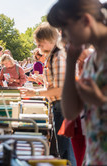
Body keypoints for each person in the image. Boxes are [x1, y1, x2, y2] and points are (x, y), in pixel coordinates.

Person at [48, 0, 107, 164]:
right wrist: (71, 61)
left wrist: (100, 102)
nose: (63, 37)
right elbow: (71, 112)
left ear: (86, 21)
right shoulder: (90, 61)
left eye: (65, 29)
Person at [21, 22, 76, 165]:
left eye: (40, 44)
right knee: (64, 151)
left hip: (63, 107)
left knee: (66, 153)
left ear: (50, 39)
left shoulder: (58, 56)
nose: (38, 48)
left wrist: (35, 92)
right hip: (60, 106)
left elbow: (62, 88)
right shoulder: (55, 56)